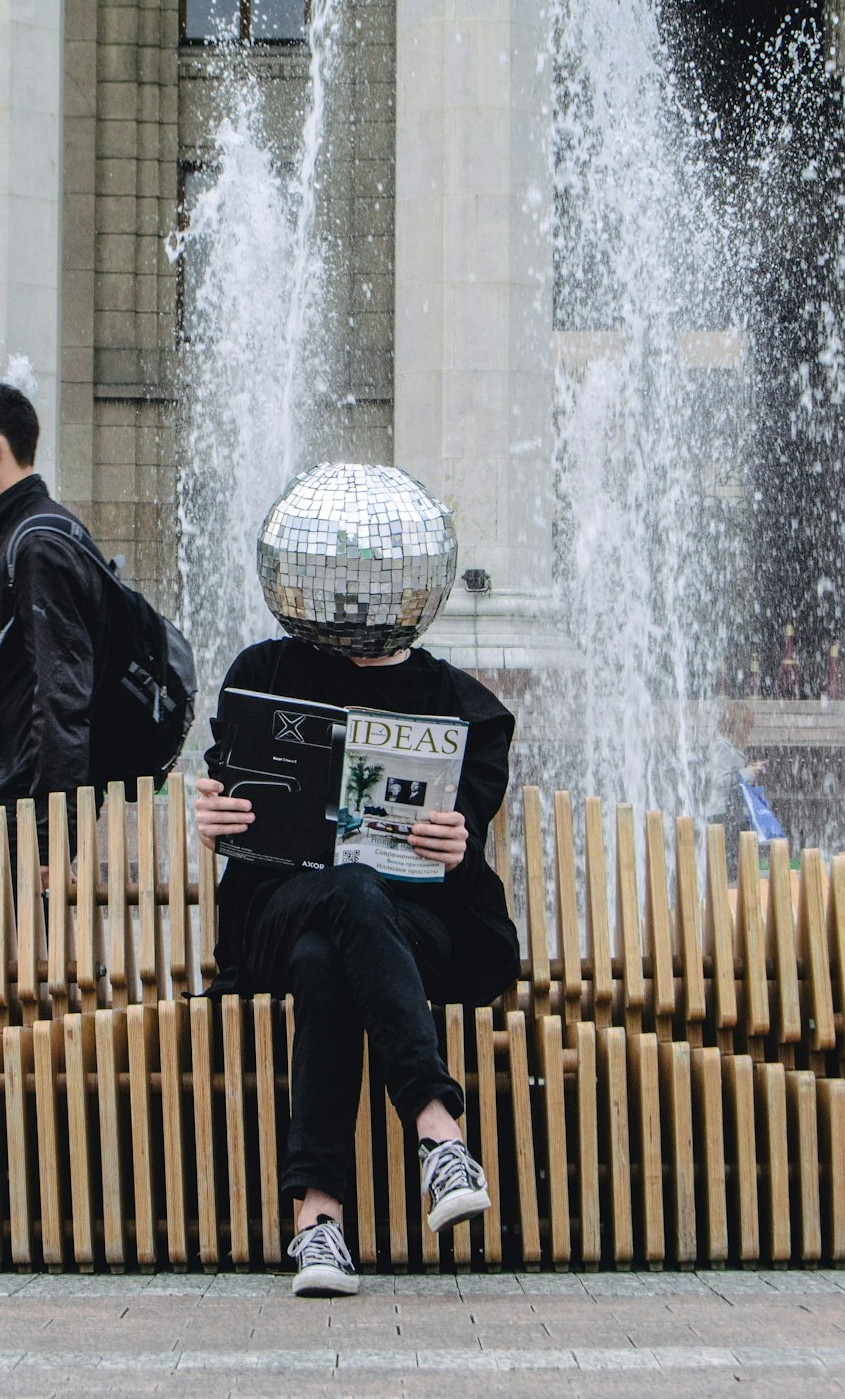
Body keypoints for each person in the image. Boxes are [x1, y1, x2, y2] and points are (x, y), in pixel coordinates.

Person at [195, 463, 520, 1297]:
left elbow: (466, 853)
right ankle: (438, 1133)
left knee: (328, 952)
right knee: (346, 890)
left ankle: (319, 1224)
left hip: (412, 931)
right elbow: (230, 794)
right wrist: (213, 817)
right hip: (280, 903)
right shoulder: (265, 674)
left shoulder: (467, 710)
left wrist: (457, 844)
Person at [0, 381, 110, 884]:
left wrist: (53, 840)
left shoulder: (37, 544)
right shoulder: (30, 535)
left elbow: (63, 697)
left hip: (19, 830)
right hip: (12, 824)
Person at [707, 700, 767, 883]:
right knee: (730, 865)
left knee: (735, 862)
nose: (748, 732)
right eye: (747, 727)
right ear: (738, 725)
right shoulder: (721, 746)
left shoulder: (728, 745)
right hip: (723, 814)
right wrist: (749, 772)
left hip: (731, 813)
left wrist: (749, 768)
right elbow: (720, 780)